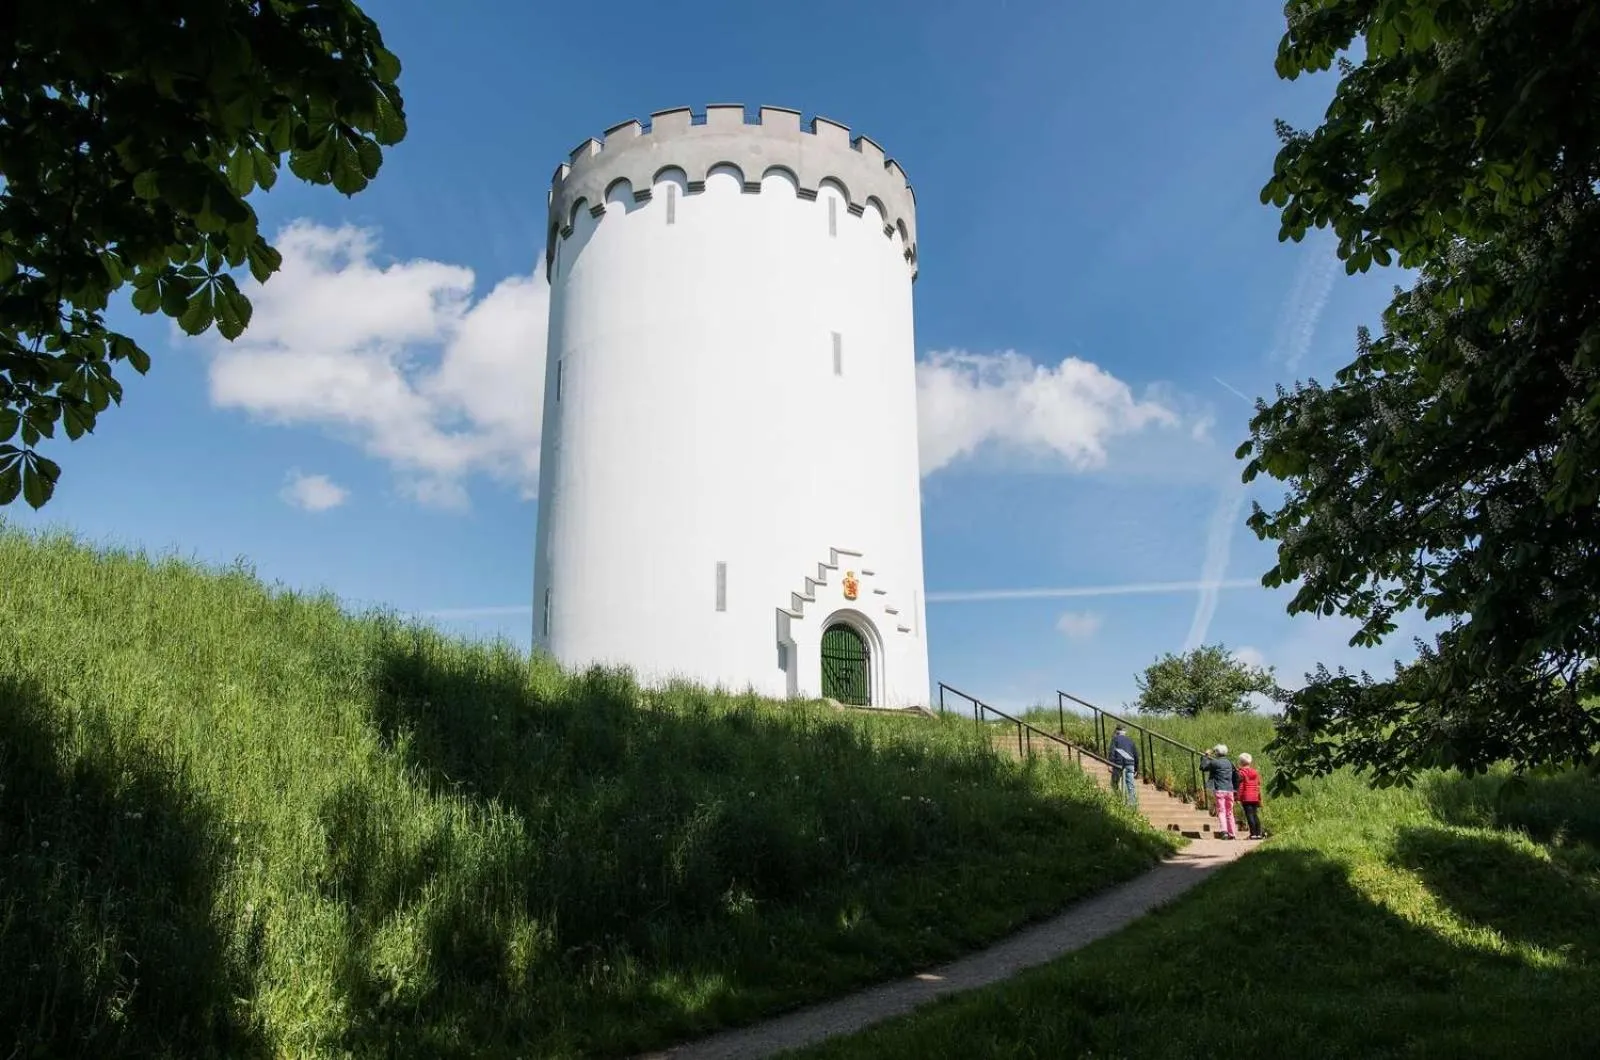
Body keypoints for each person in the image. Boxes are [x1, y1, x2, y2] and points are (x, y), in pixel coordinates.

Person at [1199, 743, 1238, 839]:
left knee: (1221, 811)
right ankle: (1232, 833)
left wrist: (1206, 756)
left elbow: (1203, 767)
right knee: (1229, 812)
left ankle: (1224, 831)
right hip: (1230, 790)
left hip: (1220, 789)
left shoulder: (1215, 763)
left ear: (1216, 752)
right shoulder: (1230, 762)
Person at [1108, 724, 1139, 808]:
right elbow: (1136, 755)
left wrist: (1110, 764)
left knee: (1114, 783)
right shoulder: (1130, 741)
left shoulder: (1115, 739)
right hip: (1130, 764)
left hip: (1118, 764)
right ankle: (1132, 805)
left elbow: (1112, 752)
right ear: (1125, 732)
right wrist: (1136, 768)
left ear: (1117, 731)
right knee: (1130, 785)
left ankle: (1118, 799)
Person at [1237, 752, 1264, 839]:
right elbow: (1258, 784)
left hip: (1246, 797)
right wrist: (1259, 796)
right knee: (1255, 814)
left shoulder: (1241, 773)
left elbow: (1240, 786)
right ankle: (1259, 833)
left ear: (1240, 762)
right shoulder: (1255, 772)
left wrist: (1238, 797)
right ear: (1250, 762)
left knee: (1249, 815)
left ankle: (1253, 834)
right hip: (1255, 796)